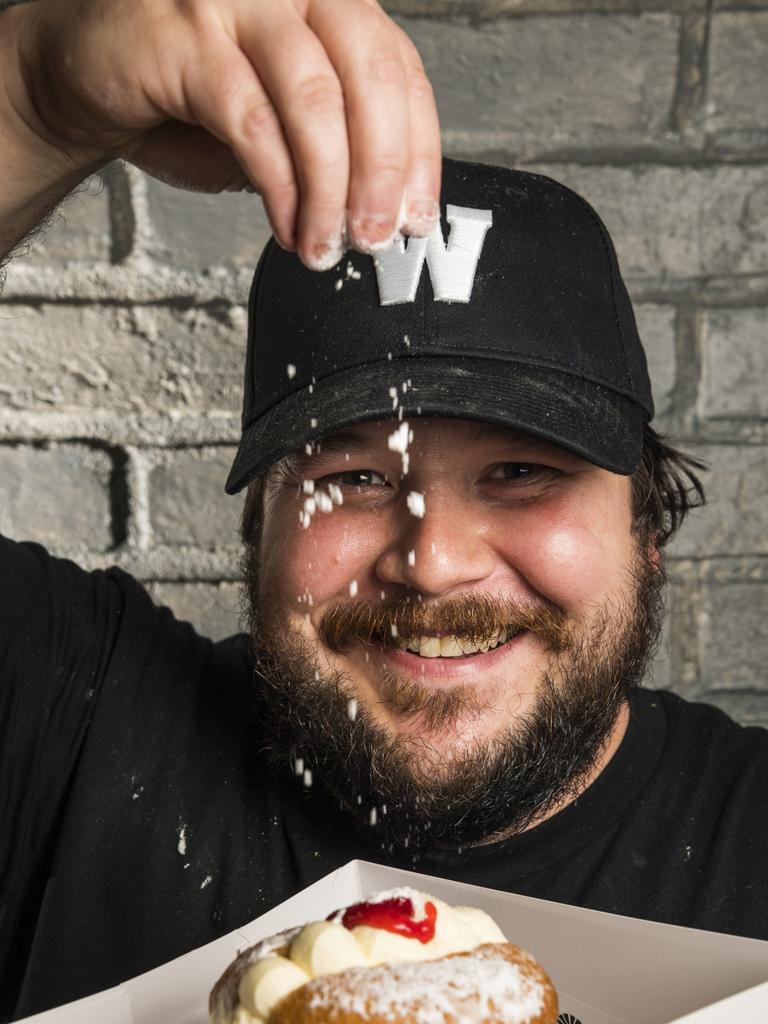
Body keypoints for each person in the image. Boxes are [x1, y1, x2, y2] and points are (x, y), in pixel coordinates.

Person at [1, 2, 767, 1023]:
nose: (436, 562)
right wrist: (27, 105)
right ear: (259, 523)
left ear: (648, 523)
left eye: (521, 472)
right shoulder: (67, 729)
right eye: (355, 479)